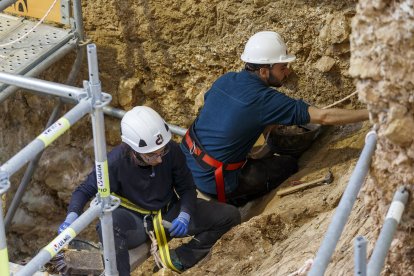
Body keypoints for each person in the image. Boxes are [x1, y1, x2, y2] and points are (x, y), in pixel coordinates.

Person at [180, 31, 369, 206]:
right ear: (263, 71)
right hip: (215, 182)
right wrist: (372, 113)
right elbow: (324, 116)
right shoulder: (265, 100)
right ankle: (234, 202)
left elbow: (217, 109)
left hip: (186, 161)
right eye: (283, 67)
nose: (287, 72)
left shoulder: (226, 79)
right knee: (287, 164)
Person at [58, 106, 241, 275]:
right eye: (152, 155)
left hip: (169, 215)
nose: (159, 159)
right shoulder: (114, 163)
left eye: (162, 152)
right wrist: (72, 217)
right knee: (109, 225)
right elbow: (84, 191)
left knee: (229, 216)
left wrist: (185, 213)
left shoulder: (171, 150)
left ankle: (181, 258)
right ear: (133, 150)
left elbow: (186, 188)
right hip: (134, 222)